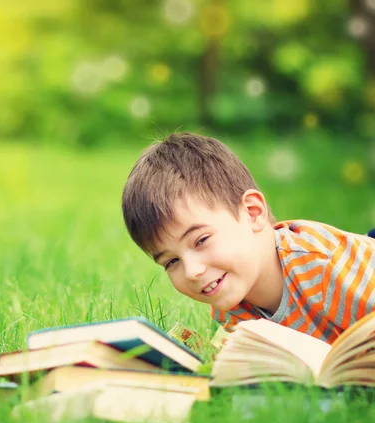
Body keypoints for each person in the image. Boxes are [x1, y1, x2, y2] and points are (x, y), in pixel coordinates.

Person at [121, 132, 375, 344]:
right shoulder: (230, 306)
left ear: (253, 213)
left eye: (201, 240)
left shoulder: (323, 266)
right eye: (171, 262)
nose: (192, 271)